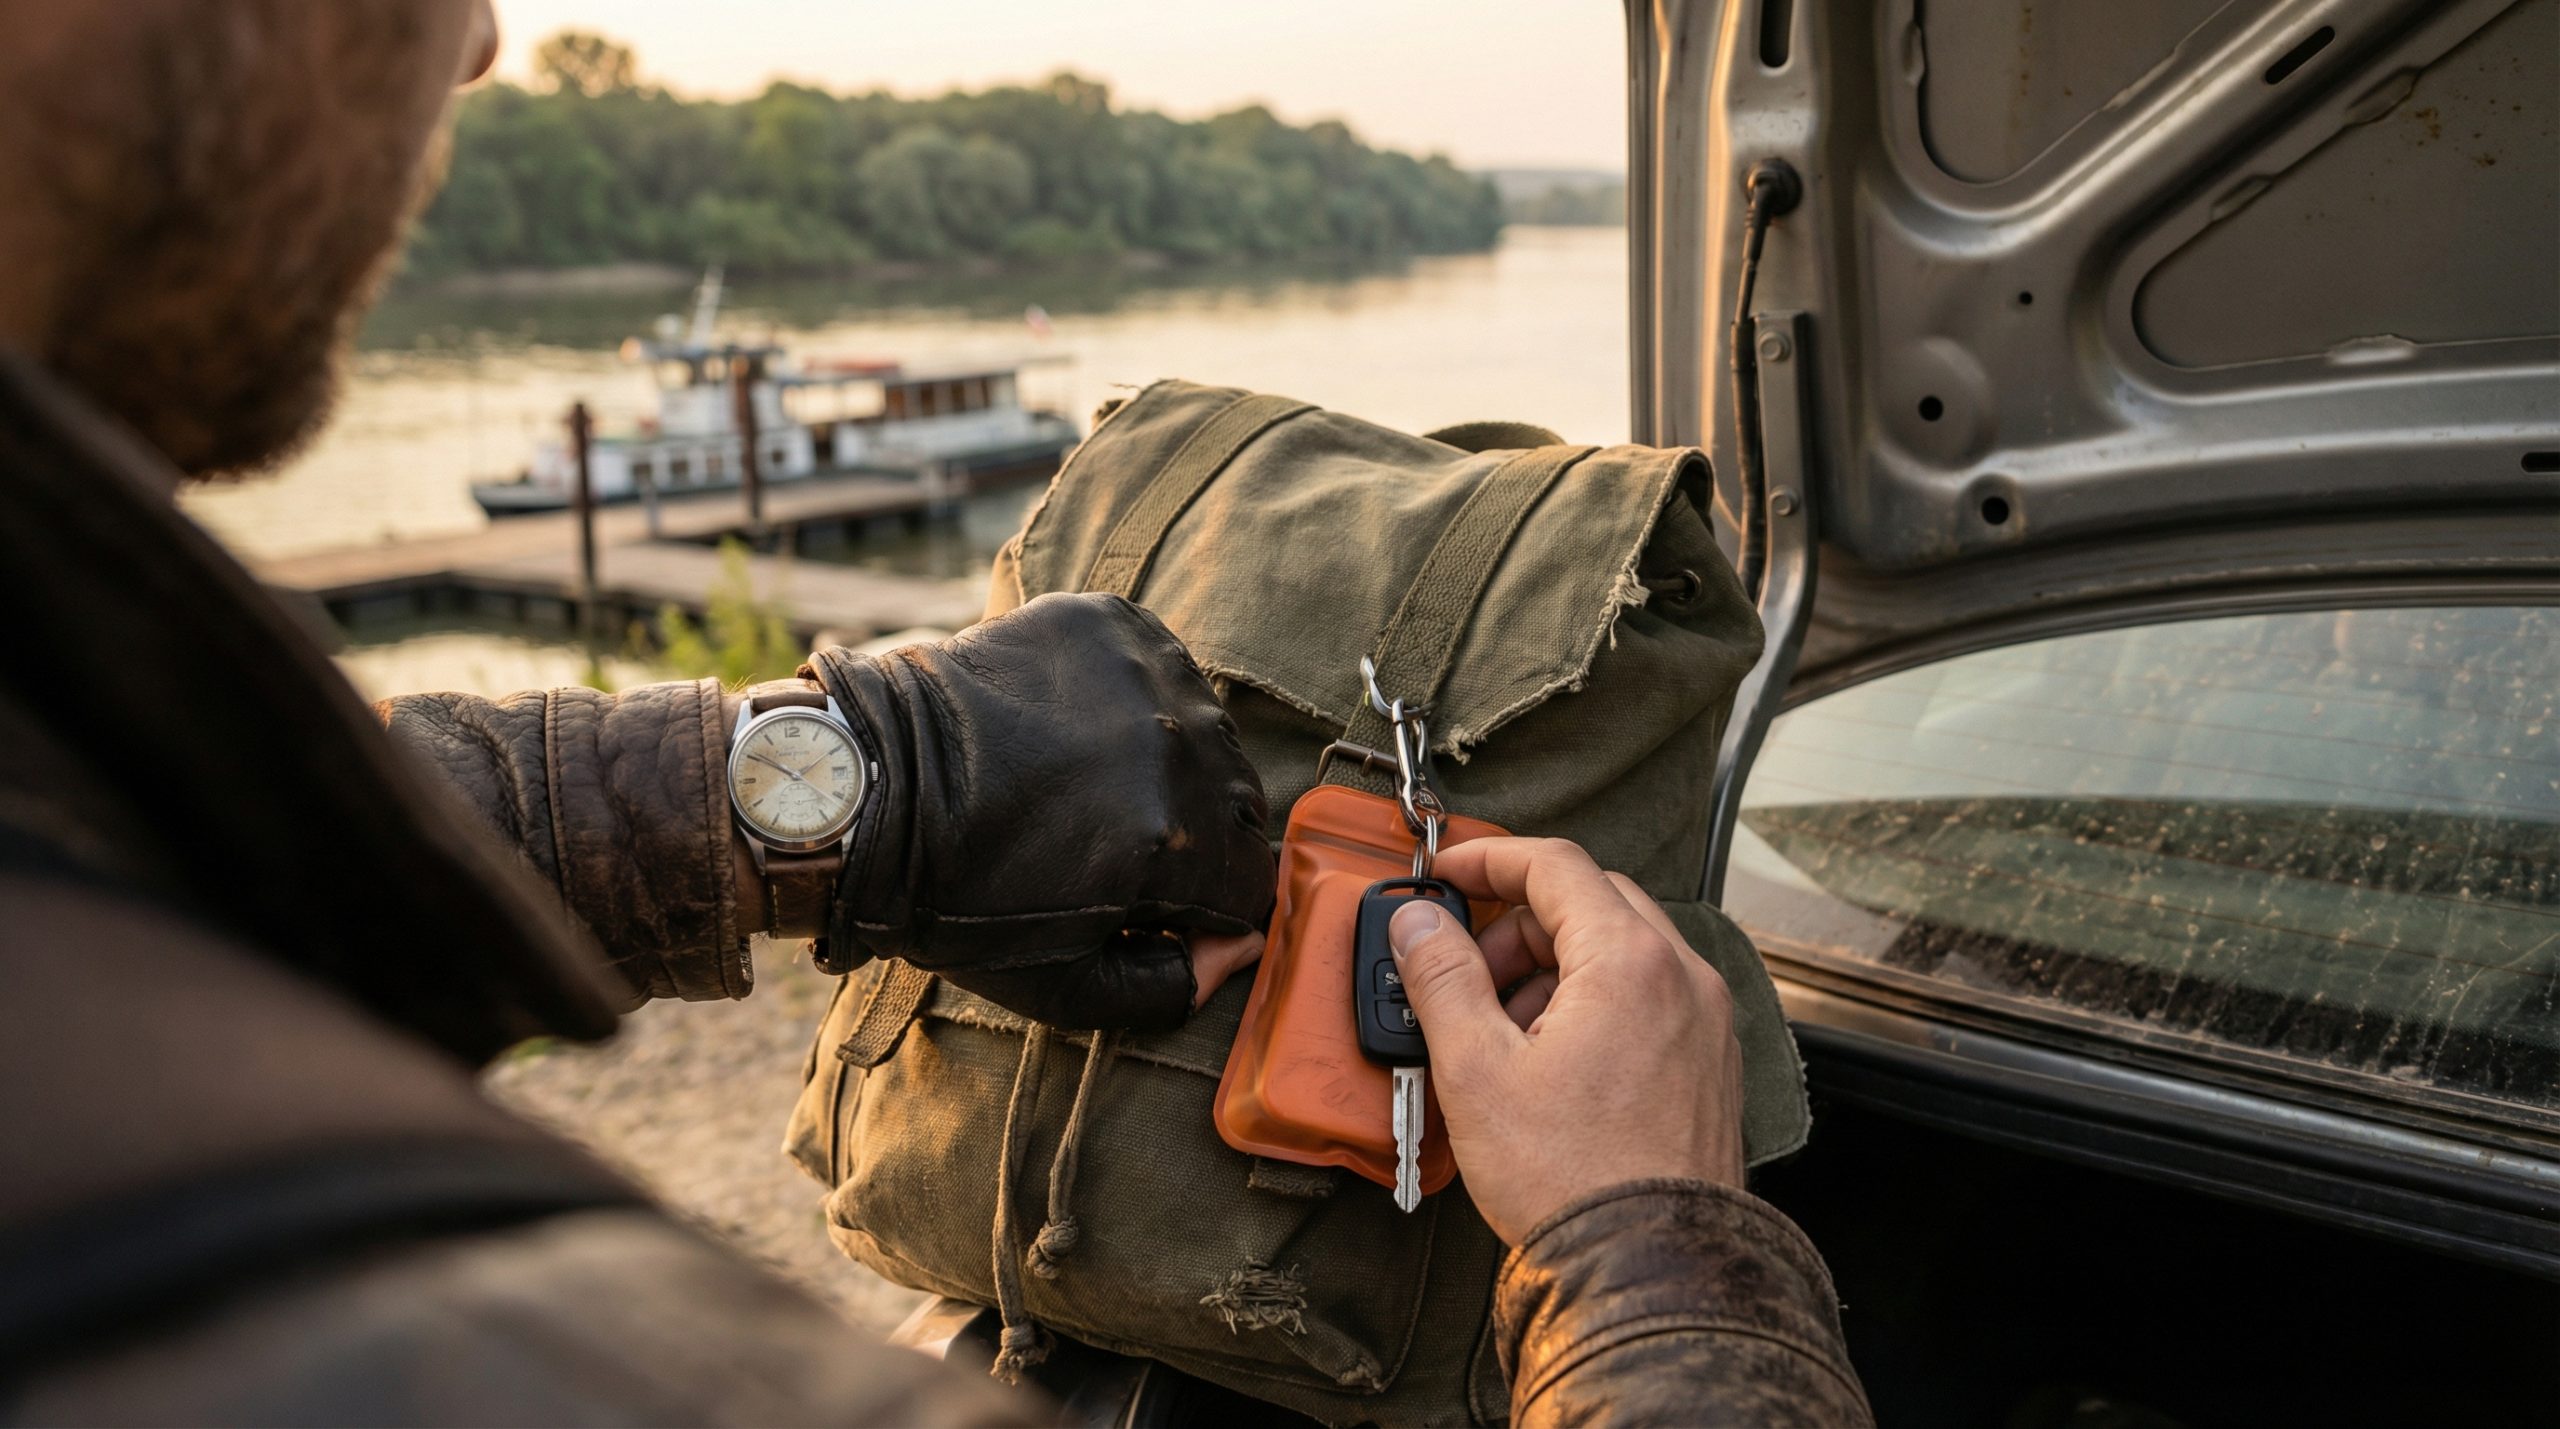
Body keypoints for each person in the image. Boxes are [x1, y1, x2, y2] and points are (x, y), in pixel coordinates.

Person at [0, 3, 1871, 1424]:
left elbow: (106, 839)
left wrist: (807, 789)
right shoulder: (532, 1351)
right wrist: (1651, 1255)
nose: (485, 41)